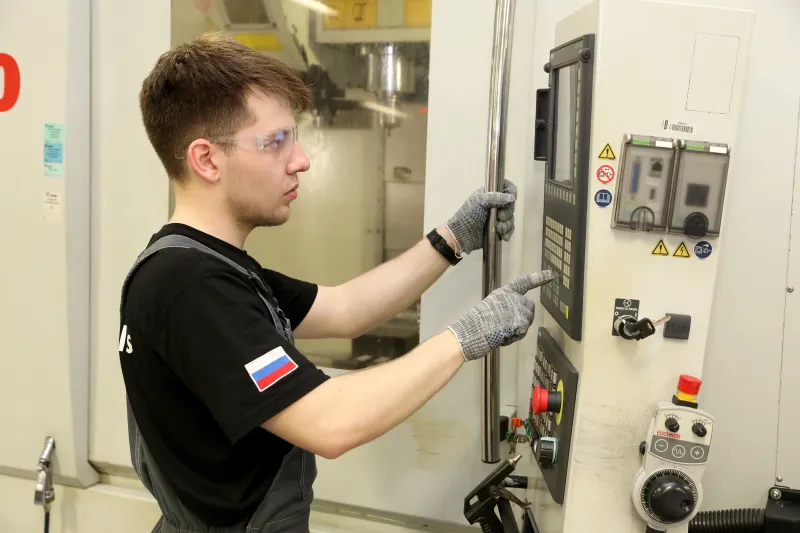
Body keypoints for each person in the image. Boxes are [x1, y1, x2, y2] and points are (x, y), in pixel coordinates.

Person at [119, 33, 553, 533]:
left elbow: (346, 308)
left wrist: (450, 240)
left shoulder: (211, 265)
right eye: (276, 141)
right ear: (207, 159)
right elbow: (329, 422)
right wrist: (465, 337)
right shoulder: (188, 285)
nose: (300, 159)